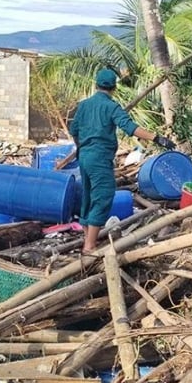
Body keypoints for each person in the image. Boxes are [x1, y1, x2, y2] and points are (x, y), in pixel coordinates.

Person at [70, 69, 175, 253]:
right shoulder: (111, 107)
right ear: (114, 88)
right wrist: (157, 138)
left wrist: (82, 147)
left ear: (96, 85)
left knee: (88, 195)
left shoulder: (84, 105)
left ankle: (88, 239)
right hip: (100, 157)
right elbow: (130, 128)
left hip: (84, 156)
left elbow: (74, 130)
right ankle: (90, 246)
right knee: (103, 195)